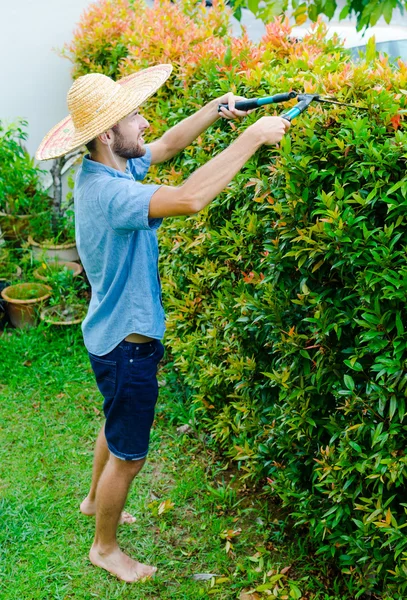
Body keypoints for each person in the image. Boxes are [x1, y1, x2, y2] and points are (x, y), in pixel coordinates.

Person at [36, 63, 290, 583]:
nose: (145, 122)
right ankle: (105, 548)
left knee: (114, 422)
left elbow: (170, 145)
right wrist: (252, 138)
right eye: (134, 115)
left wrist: (217, 110)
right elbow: (191, 198)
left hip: (108, 338)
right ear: (108, 134)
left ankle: (91, 501)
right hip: (128, 347)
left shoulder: (110, 167)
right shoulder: (112, 194)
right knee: (129, 454)